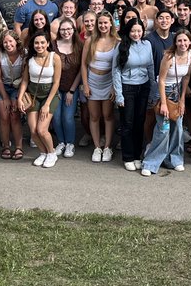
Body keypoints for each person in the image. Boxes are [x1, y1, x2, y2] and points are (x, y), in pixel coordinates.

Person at [142, 29, 191, 175]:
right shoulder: (168, 57)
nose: (182, 43)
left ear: (190, 42)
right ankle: (150, 163)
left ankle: (174, 160)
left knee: (178, 128)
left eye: (185, 40)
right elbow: (162, 80)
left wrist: (183, 100)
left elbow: (186, 78)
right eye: (179, 40)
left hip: (177, 92)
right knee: (163, 129)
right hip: (163, 92)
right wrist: (164, 103)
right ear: (175, 42)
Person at [112, 18, 157, 171]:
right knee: (128, 124)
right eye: (133, 31)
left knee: (140, 122)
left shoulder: (147, 44)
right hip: (127, 87)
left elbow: (150, 67)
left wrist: (153, 90)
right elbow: (116, 71)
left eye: (139, 31)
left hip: (143, 87)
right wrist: (119, 95)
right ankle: (128, 156)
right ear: (128, 31)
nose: (136, 34)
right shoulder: (121, 46)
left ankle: (138, 155)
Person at [81, 10, 119, 163]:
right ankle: (97, 147)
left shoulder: (117, 41)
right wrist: (85, 84)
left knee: (108, 116)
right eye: (100, 23)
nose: (103, 25)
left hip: (109, 81)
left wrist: (114, 87)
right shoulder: (90, 40)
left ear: (111, 24)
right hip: (92, 81)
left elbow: (118, 67)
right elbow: (84, 65)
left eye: (105, 22)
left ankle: (107, 146)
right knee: (94, 116)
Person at [21, 32, 62, 168]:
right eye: (36, 43)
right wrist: (20, 98)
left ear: (48, 44)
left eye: (42, 42)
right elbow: (25, 81)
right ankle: (43, 153)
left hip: (50, 96)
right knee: (33, 130)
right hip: (33, 95)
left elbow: (56, 82)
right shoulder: (30, 60)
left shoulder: (54, 57)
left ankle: (51, 153)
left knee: (42, 130)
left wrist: (47, 104)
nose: (39, 45)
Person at [0, 30, 27, 160]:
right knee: (4, 116)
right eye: (5, 42)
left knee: (14, 116)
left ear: (16, 41)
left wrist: (19, 97)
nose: (7, 44)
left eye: (10, 41)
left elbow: (25, 77)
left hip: (17, 86)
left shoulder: (24, 54)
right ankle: (5, 146)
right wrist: (5, 97)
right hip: (1, 86)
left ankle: (18, 147)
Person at [50, 17, 83, 158]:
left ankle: (70, 143)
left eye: (68, 29)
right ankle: (61, 142)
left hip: (71, 88)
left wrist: (72, 90)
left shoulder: (79, 45)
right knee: (56, 117)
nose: (66, 32)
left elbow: (82, 69)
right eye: (62, 29)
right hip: (55, 87)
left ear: (73, 30)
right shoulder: (53, 45)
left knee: (68, 117)